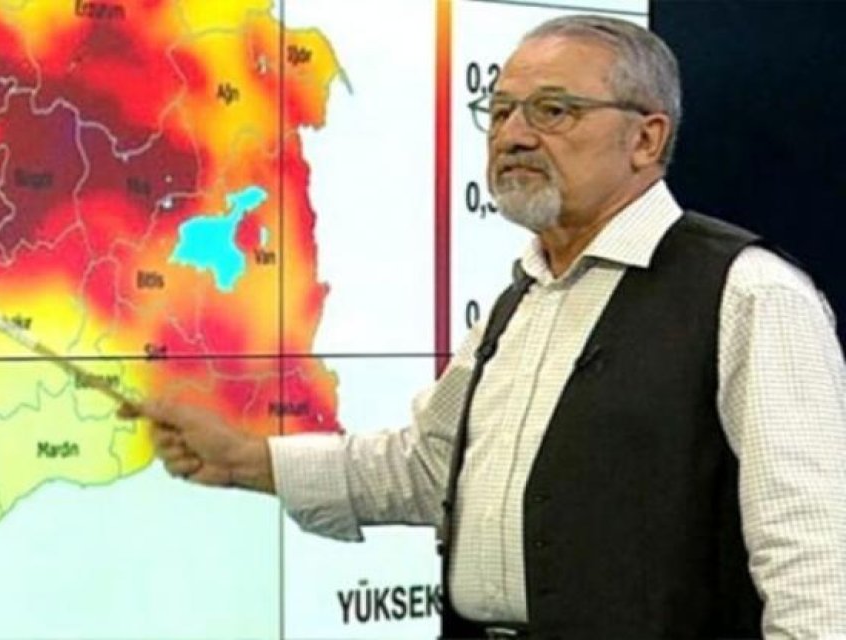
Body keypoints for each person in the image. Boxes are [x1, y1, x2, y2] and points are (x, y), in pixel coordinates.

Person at [130, 14, 846, 640]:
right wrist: (245, 459)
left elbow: (812, 552)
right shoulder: (522, 299)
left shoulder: (748, 294)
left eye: (552, 111)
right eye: (500, 112)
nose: (513, 136)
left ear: (645, 138)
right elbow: (429, 469)